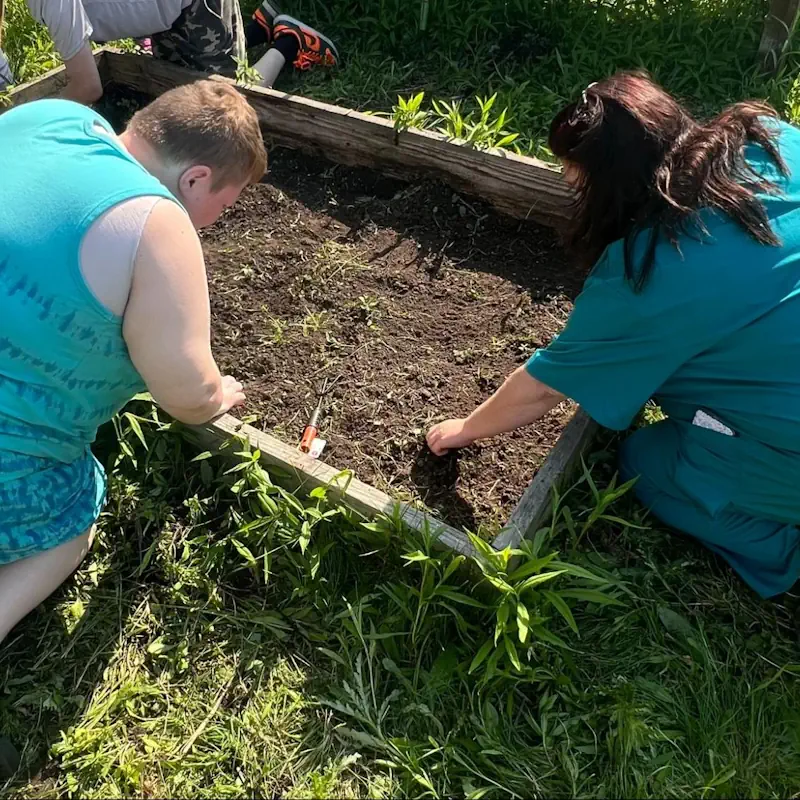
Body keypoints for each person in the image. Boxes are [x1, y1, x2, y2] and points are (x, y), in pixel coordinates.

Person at [427, 70, 800, 600]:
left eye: (576, 178)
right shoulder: (768, 137)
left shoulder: (651, 274)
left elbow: (545, 385)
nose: (567, 184)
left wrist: (462, 429)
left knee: (649, 465)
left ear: (613, 182)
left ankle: (783, 553)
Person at [0, 78, 266, 645]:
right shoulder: (156, 222)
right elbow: (187, 396)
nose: (219, 218)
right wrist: (217, 392)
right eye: (228, 201)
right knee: (71, 521)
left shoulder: (49, 116)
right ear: (195, 178)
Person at [5, 0, 338, 102]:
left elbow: (87, 86)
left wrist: (24, 120)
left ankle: (288, 40)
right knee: (183, 79)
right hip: (165, 14)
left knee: (227, 106)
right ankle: (256, 29)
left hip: (191, 6)